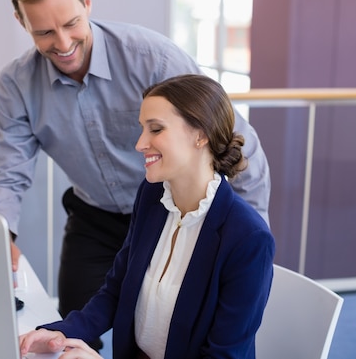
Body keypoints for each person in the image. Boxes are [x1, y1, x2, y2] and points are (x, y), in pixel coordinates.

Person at [0, 0, 271, 347]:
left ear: (87, 0)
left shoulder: (152, 58)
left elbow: (232, 138)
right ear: (21, 21)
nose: (63, 44)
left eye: (71, 23)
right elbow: (8, 172)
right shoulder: (15, 85)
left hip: (175, 212)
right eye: (44, 33)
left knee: (187, 333)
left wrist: (245, 238)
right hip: (97, 217)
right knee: (76, 327)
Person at [18, 74, 275, 359]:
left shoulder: (248, 238)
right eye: (142, 129)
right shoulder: (152, 196)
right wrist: (63, 333)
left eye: (155, 129)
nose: (140, 143)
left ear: (201, 134)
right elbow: (118, 288)